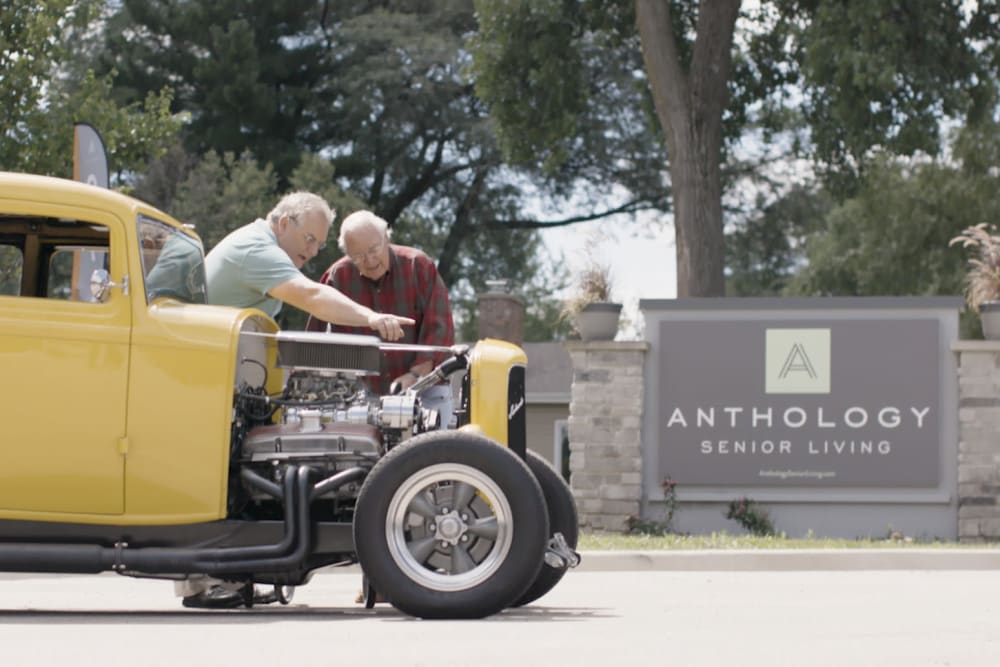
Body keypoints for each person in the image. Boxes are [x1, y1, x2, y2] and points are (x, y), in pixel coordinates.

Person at [178, 193, 415, 610]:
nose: (310, 251)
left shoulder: (262, 248)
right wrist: (372, 319)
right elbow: (310, 297)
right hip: (199, 377)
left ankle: (220, 575)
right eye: (307, 239)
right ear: (283, 223)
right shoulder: (257, 249)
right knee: (215, 475)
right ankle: (209, 578)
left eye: (318, 245)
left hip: (216, 378)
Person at [305, 209, 456, 427]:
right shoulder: (337, 278)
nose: (369, 261)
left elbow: (440, 331)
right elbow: (313, 340)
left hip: (426, 389)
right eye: (358, 256)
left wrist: (414, 375)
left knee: (433, 456)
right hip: (362, 396)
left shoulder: (419, 266)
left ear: (386, 237)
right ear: (348, 254)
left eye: (374, 249)